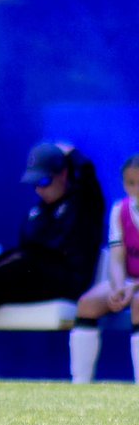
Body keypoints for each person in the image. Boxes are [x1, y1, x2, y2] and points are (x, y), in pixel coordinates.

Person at [0, 142, 105, 378]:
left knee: (17, 262)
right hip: (35, 273)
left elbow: (88, 175)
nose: (39, 189)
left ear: (63, 174)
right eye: (35, 183)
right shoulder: (37, 212)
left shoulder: (83, 203)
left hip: (66, 278)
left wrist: (71, 153)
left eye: (44, 181)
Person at [70, 153, 139, 383]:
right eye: (131, 183)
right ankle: (80, 386)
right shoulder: (119, 210)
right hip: (128, 281)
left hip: (136, 287)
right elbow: (117, 257)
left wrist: (132, 288)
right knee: (87, 304)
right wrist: (119, 286)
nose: (136, 188)